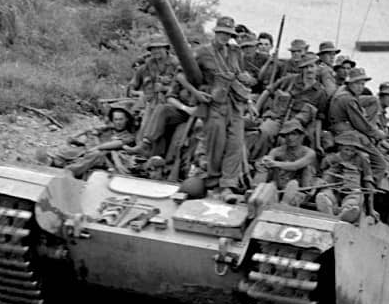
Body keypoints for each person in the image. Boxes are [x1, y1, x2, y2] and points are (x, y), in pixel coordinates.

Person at [190, 15, 254, 197]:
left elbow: (239, 76)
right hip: (214, 104)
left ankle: (228, 185)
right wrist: (197, 94)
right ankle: (214, 180)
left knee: (235, 143)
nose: (224, 37)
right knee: (216, 144)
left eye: (228, 34)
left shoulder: (235, 52)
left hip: (234, 103)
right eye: (222, 33)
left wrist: (247, 94)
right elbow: (182, 75)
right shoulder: (202, 52)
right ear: (216, 32)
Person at [127, 35, 179, 155]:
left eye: (158, 48)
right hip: (152, 103)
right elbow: (132, 86)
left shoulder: (176, 64)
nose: (155, 51)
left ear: (166, 48)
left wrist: (165, 88)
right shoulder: (147, 66)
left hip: (171, 104)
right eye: (153, 49)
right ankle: (141, 157)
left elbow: (183, 86)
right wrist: (138, 93)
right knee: (143, 129)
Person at [55, 106, 138, 179]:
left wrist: (98, 147)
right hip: (89, 150)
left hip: (106, 160)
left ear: (126, 119)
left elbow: (116, 144)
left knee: (97, 154)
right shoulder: (108, 129)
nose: (118, 122)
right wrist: (76, 136)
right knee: (64, 151)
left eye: (121, 119)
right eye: (116, 119)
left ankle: (70, 171)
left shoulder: (129, 136)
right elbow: (90, 130)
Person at [315, 131, 377, 224]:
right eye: (346, 149)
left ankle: (347, 211)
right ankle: (328, 207)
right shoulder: (329, 159)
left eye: (352, 151)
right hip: (332, 188)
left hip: (352, 189)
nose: (349, 153)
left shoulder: (361, 159)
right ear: (340, 147)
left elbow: (368, 181)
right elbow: (320, 176)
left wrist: (371, 208)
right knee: (324, 194)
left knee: (355, 196)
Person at [257, 119, 316, 207]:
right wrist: (264, 162)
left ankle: (284, 203)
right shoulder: (277, 151)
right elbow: (269, 160)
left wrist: (275, 163)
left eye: (293, 134)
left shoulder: (309, 153)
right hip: (278, 186)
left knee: (294, 183)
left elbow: (295, 166)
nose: (290, 138)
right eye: (287, 135)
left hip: (299, 189)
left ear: (301, 136)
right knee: (265, 173)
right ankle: (257, 190)